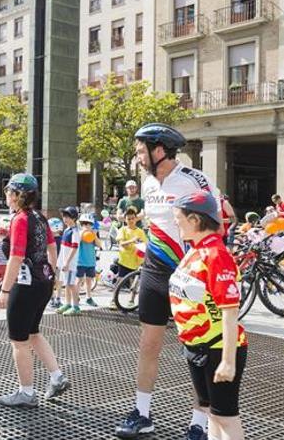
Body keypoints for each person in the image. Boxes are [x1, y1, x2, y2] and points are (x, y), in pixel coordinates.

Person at [116, 123, 215, 440]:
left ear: (159, 150)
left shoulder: (193, 180)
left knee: (197, 350)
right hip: (154, 272)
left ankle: (199, 422)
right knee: (148, 344)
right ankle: (142, 414)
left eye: (141, 150)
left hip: (188, 274)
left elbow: (221, 218)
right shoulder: (146, 184)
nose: (137, 156)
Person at [170, 191, 247, 440]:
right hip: (197, 347)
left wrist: (228, 360)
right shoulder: (195, 250)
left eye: (178, 218)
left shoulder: (216, 254)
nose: (176, 223)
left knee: (225, 416)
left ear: (194, 219)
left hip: (217, 347)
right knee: (212, 413)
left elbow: (230, 310)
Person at [0, 173, 70, 408]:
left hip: (25, 285)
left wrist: (5, 290)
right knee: (34, 333)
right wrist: (52, 272)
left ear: (19, 195)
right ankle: (57, 377)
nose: (6, 195)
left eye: (9, 191)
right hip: (43, 282)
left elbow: (16, 257)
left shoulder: (20, 219)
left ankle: (26, 393)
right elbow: (51, 246)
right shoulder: (40, 217)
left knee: (19, 341)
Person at [112, 207, 148, 310]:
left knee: (135, 283)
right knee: (119, 281)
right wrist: (132, 240)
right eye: (128, 219)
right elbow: (121, 243)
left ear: (136, 219)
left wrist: (140, 243)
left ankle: (131, 301)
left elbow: (145, 244)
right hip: (124, 261)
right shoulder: (123, 230)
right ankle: (113, 301)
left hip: (136, 261)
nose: (131, 221)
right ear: (125, 220)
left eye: (132, 218)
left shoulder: (140, 232)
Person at [55, 207, 79, 313]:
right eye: (64, 216)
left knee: (71, 284)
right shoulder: (66, 230)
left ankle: (76, 306)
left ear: (74, 218)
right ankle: (68, 304)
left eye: (68, 217)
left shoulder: (75, 232)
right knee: (67, 284)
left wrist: (67, 262)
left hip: (70, 263)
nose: (65, 219)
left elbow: (74, 248)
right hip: (64, 262)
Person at [76, 213, 102, 308]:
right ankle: (76, 297)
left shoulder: (92, 235)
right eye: (84, 224)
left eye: (89, 224)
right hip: (80, 261)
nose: (87, 226)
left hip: (91, 261)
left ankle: (88, 297)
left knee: (89, 280)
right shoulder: (80, 233)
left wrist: (95, 235)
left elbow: (100, 245)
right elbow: (76, 242)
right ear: (81, 225)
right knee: (78, 280)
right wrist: (82, 232)